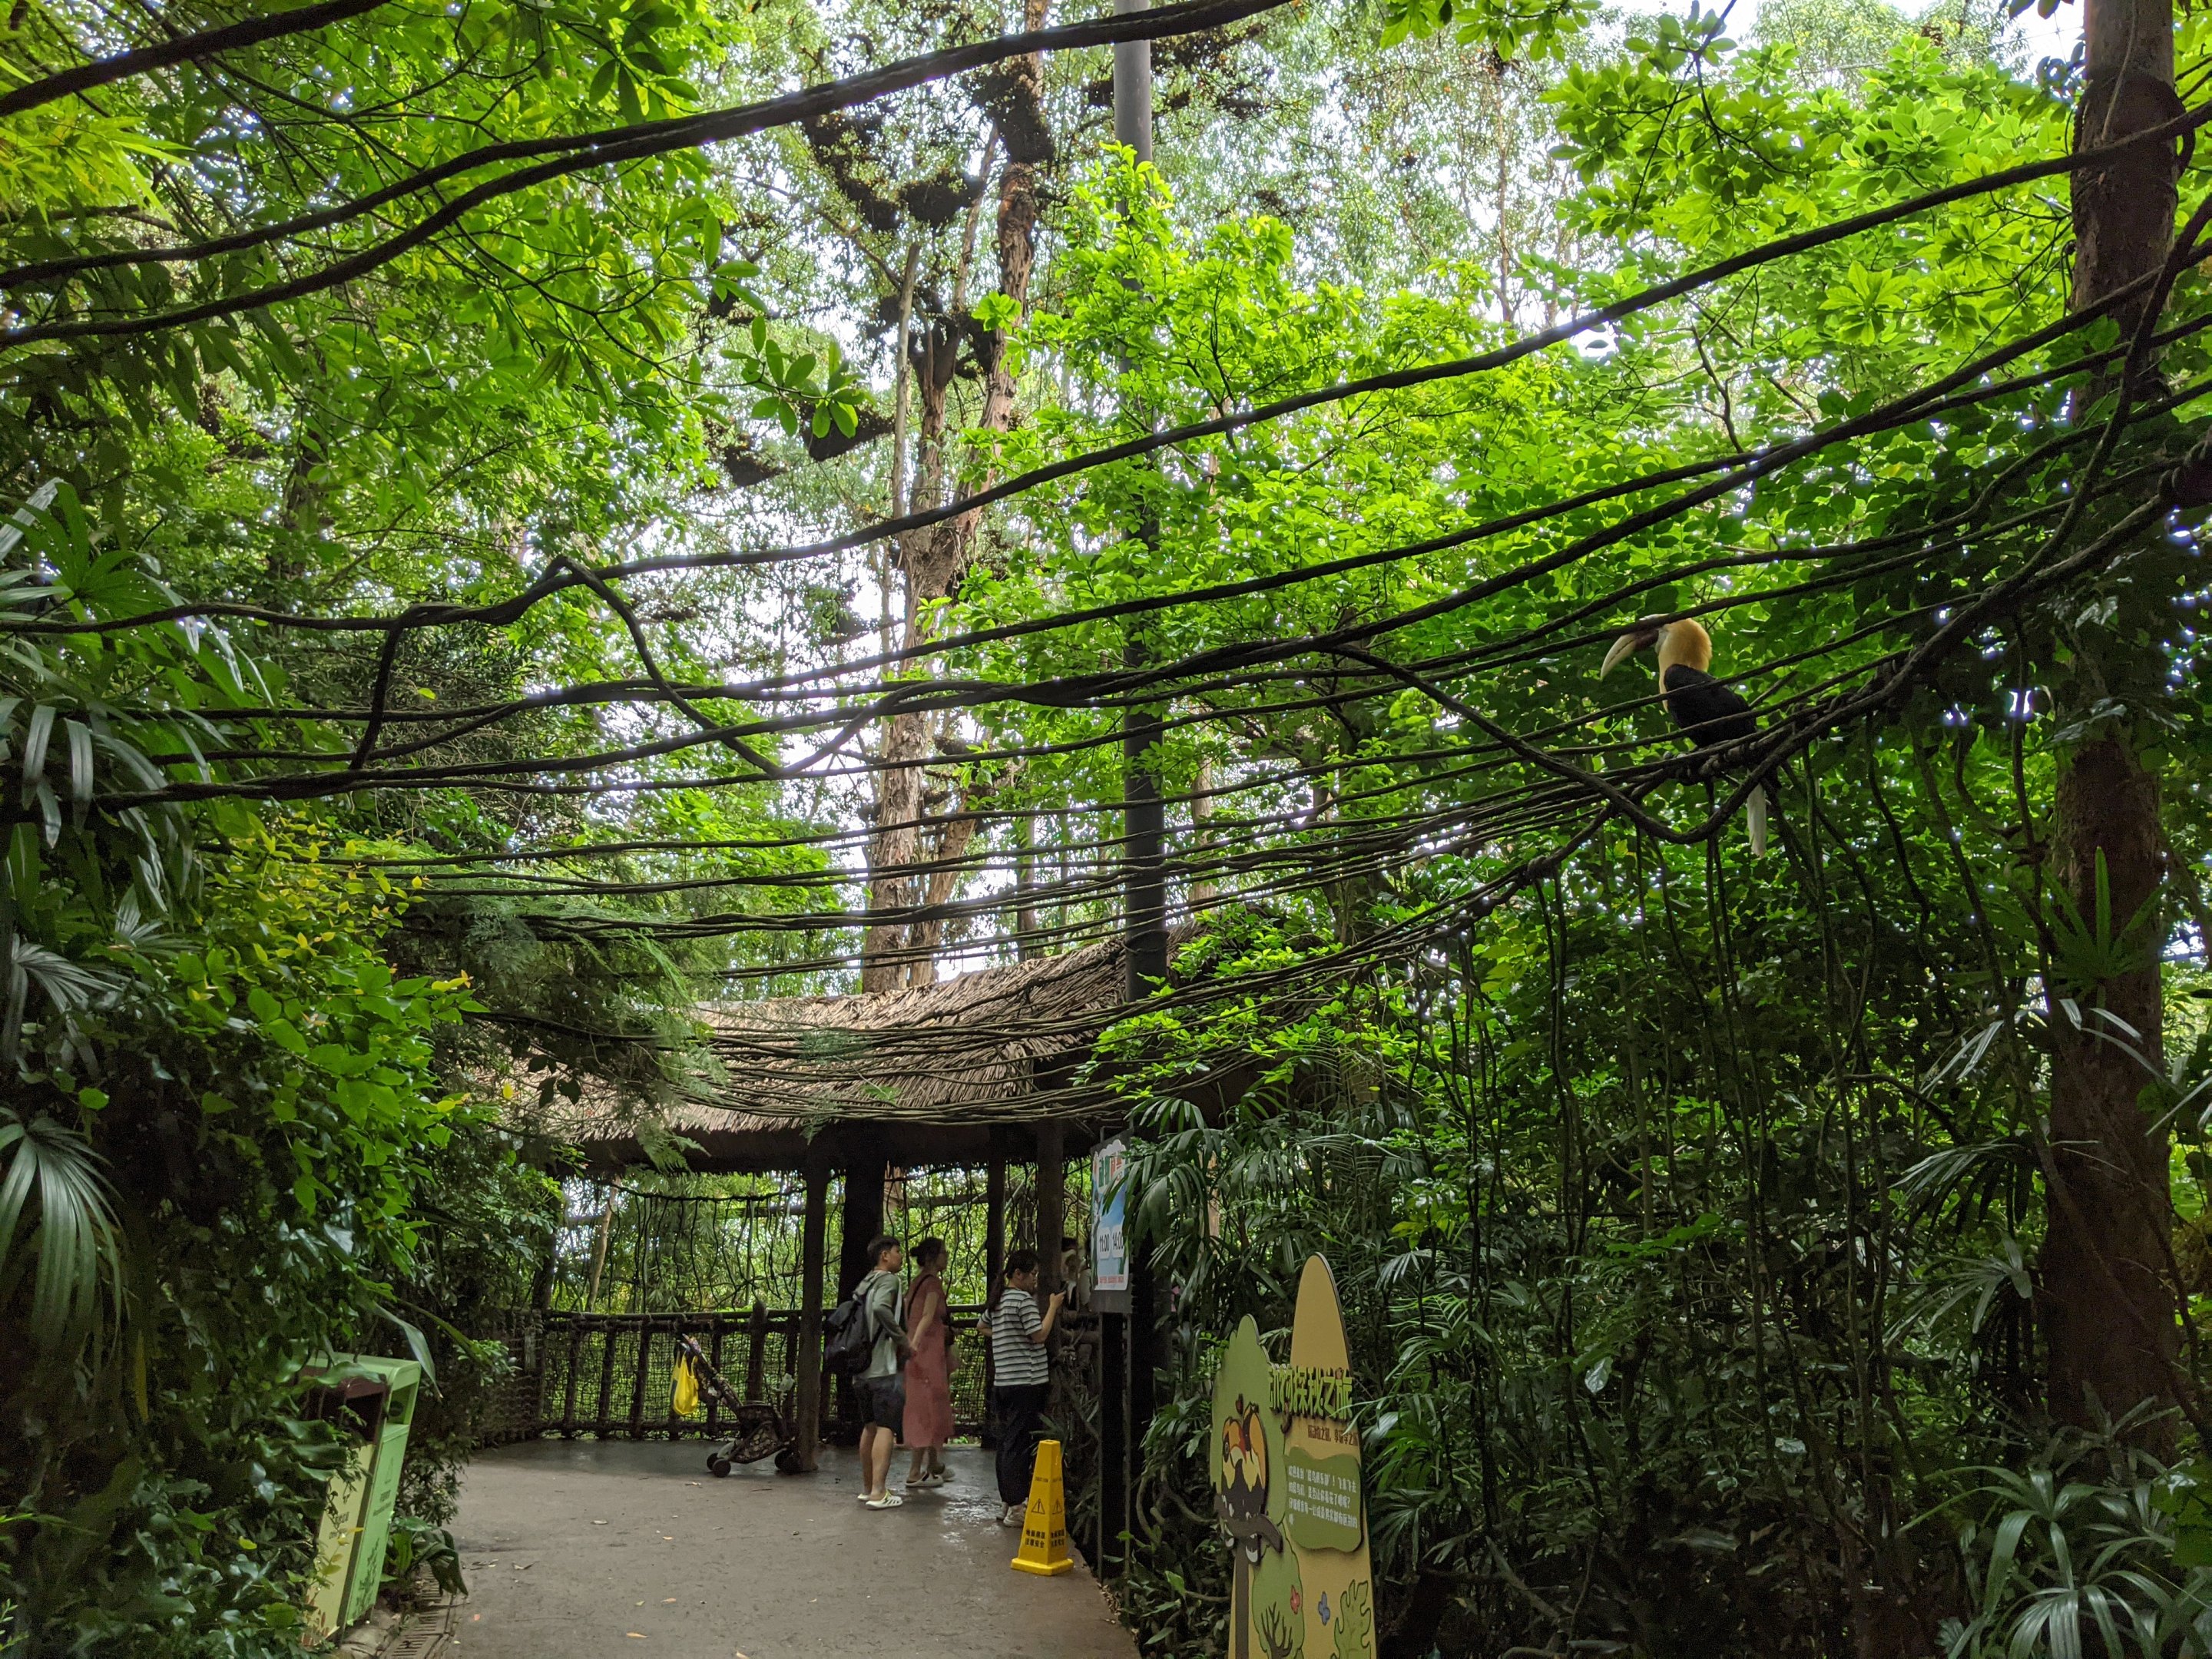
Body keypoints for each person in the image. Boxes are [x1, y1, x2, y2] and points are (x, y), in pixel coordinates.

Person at [987, 1247, 1063, 1528]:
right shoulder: (1023, 1301)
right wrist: (1053, 1307)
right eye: (1032, 1274)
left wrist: (1006, 1336)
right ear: (1017, 1274)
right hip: (1027, 1382)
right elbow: (1040, 1335)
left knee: (1007, 1441)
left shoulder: (998, 1300)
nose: (1034, 1280)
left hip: (1004, 1382)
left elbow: (984, 1326)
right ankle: (1018, 1506)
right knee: (1019, 1445)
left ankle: (1007, 1500)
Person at [853, 1233, 912, 1509]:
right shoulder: (889, 1280)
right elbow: (881, 1309)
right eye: (898, 1251)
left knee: (870, 1427)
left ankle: (867, 1488)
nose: (901, 1256)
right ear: (884, 1256)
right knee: (887, 1428)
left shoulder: (865, 1283)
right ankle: (879, 1492)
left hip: (861, 1370)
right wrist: (903, 1339)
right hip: (884, 1368)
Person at [900, 1237, 955, 1490]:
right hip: (926, 1354)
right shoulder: (932, 1284)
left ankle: (933, 1464)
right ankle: (914, 1471)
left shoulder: (915, 1283)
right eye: (944, 1253)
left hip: (922, 1352)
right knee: (927, 1407)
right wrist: (916, 1343)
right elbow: (926, 1316)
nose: (947, 1257)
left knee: (928, 1404)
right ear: (933, 1257)